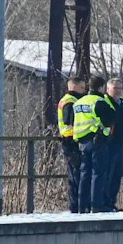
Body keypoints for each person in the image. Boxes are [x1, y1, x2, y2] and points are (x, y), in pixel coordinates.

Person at [71, 75, 117, 213]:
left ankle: (82, 206)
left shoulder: (78, 103)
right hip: (97, 141)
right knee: (98, 173)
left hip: (82, 142)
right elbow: (111, 118)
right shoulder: (98, 101)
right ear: (102, 87)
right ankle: (96, 205)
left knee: (84, 173)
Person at [54, 75, 88, 213]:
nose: (84, 90)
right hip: (70, 141)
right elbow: (69, 120)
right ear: (74, 87)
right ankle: (76, 207)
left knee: (75, 174)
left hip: (69, 141)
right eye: (82, 87)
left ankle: (78, 206)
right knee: (76, 175)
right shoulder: (70, 101)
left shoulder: (67, 99)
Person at [101, 77, 123, 211]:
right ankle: (105, 203)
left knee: (117, 174)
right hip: (109, 143)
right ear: (108, 89)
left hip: (121, 143)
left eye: (120, 88)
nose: (118, 91)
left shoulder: (122, 102)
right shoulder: (104, 102)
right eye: (115, 88)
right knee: (108, 173)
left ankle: (112, 202)